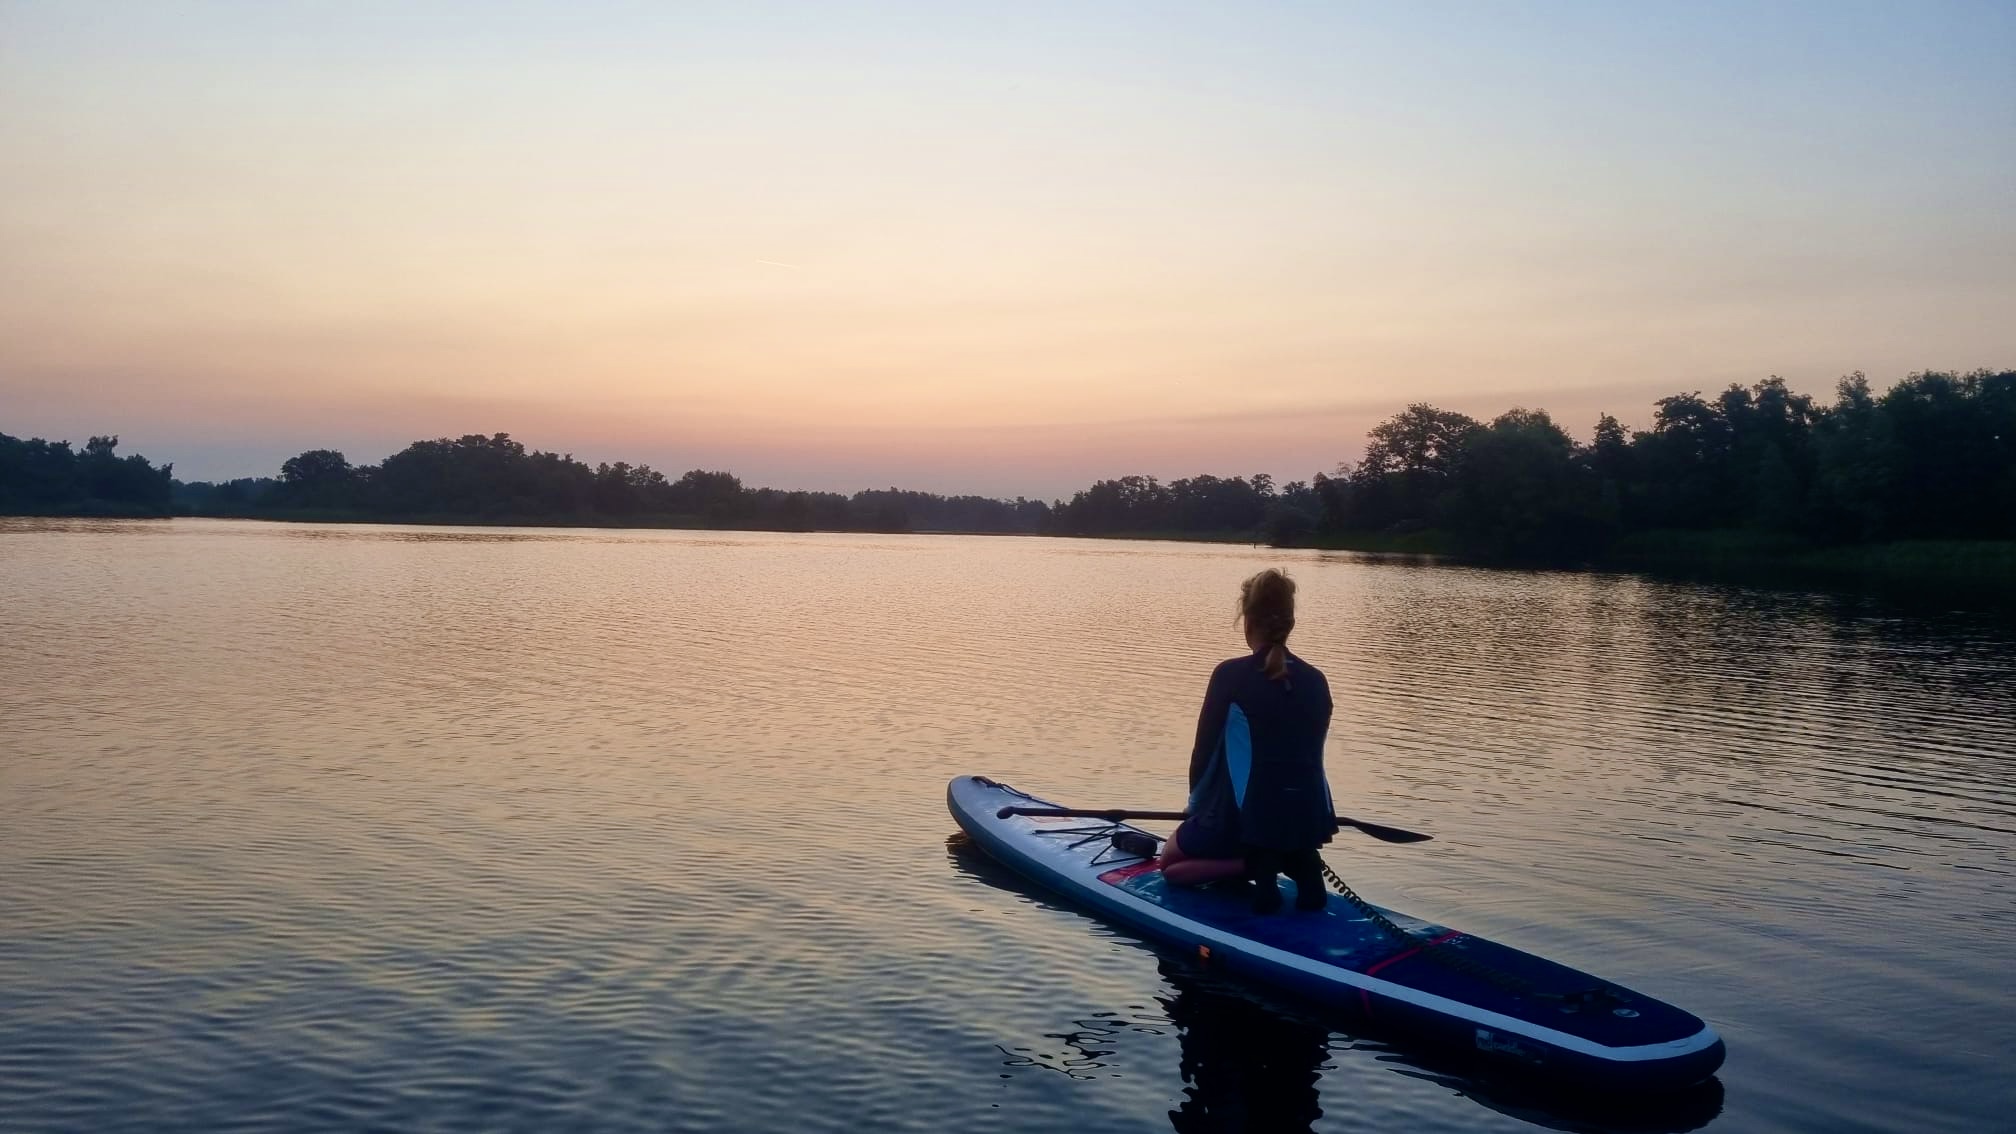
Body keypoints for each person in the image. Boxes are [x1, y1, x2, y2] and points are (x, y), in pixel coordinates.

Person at [1158, 568, 1338, 912]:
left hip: (1245, 821)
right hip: (1308, 820)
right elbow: (1305, 756)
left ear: (1247, 620)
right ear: (1290, 622)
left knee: (1171, 865)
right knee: (1275, 836)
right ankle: (1294, 863)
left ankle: (1256, 867)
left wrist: (1196, 810)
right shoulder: (1317, 680)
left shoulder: (1230, 675)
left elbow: (1204, 754)